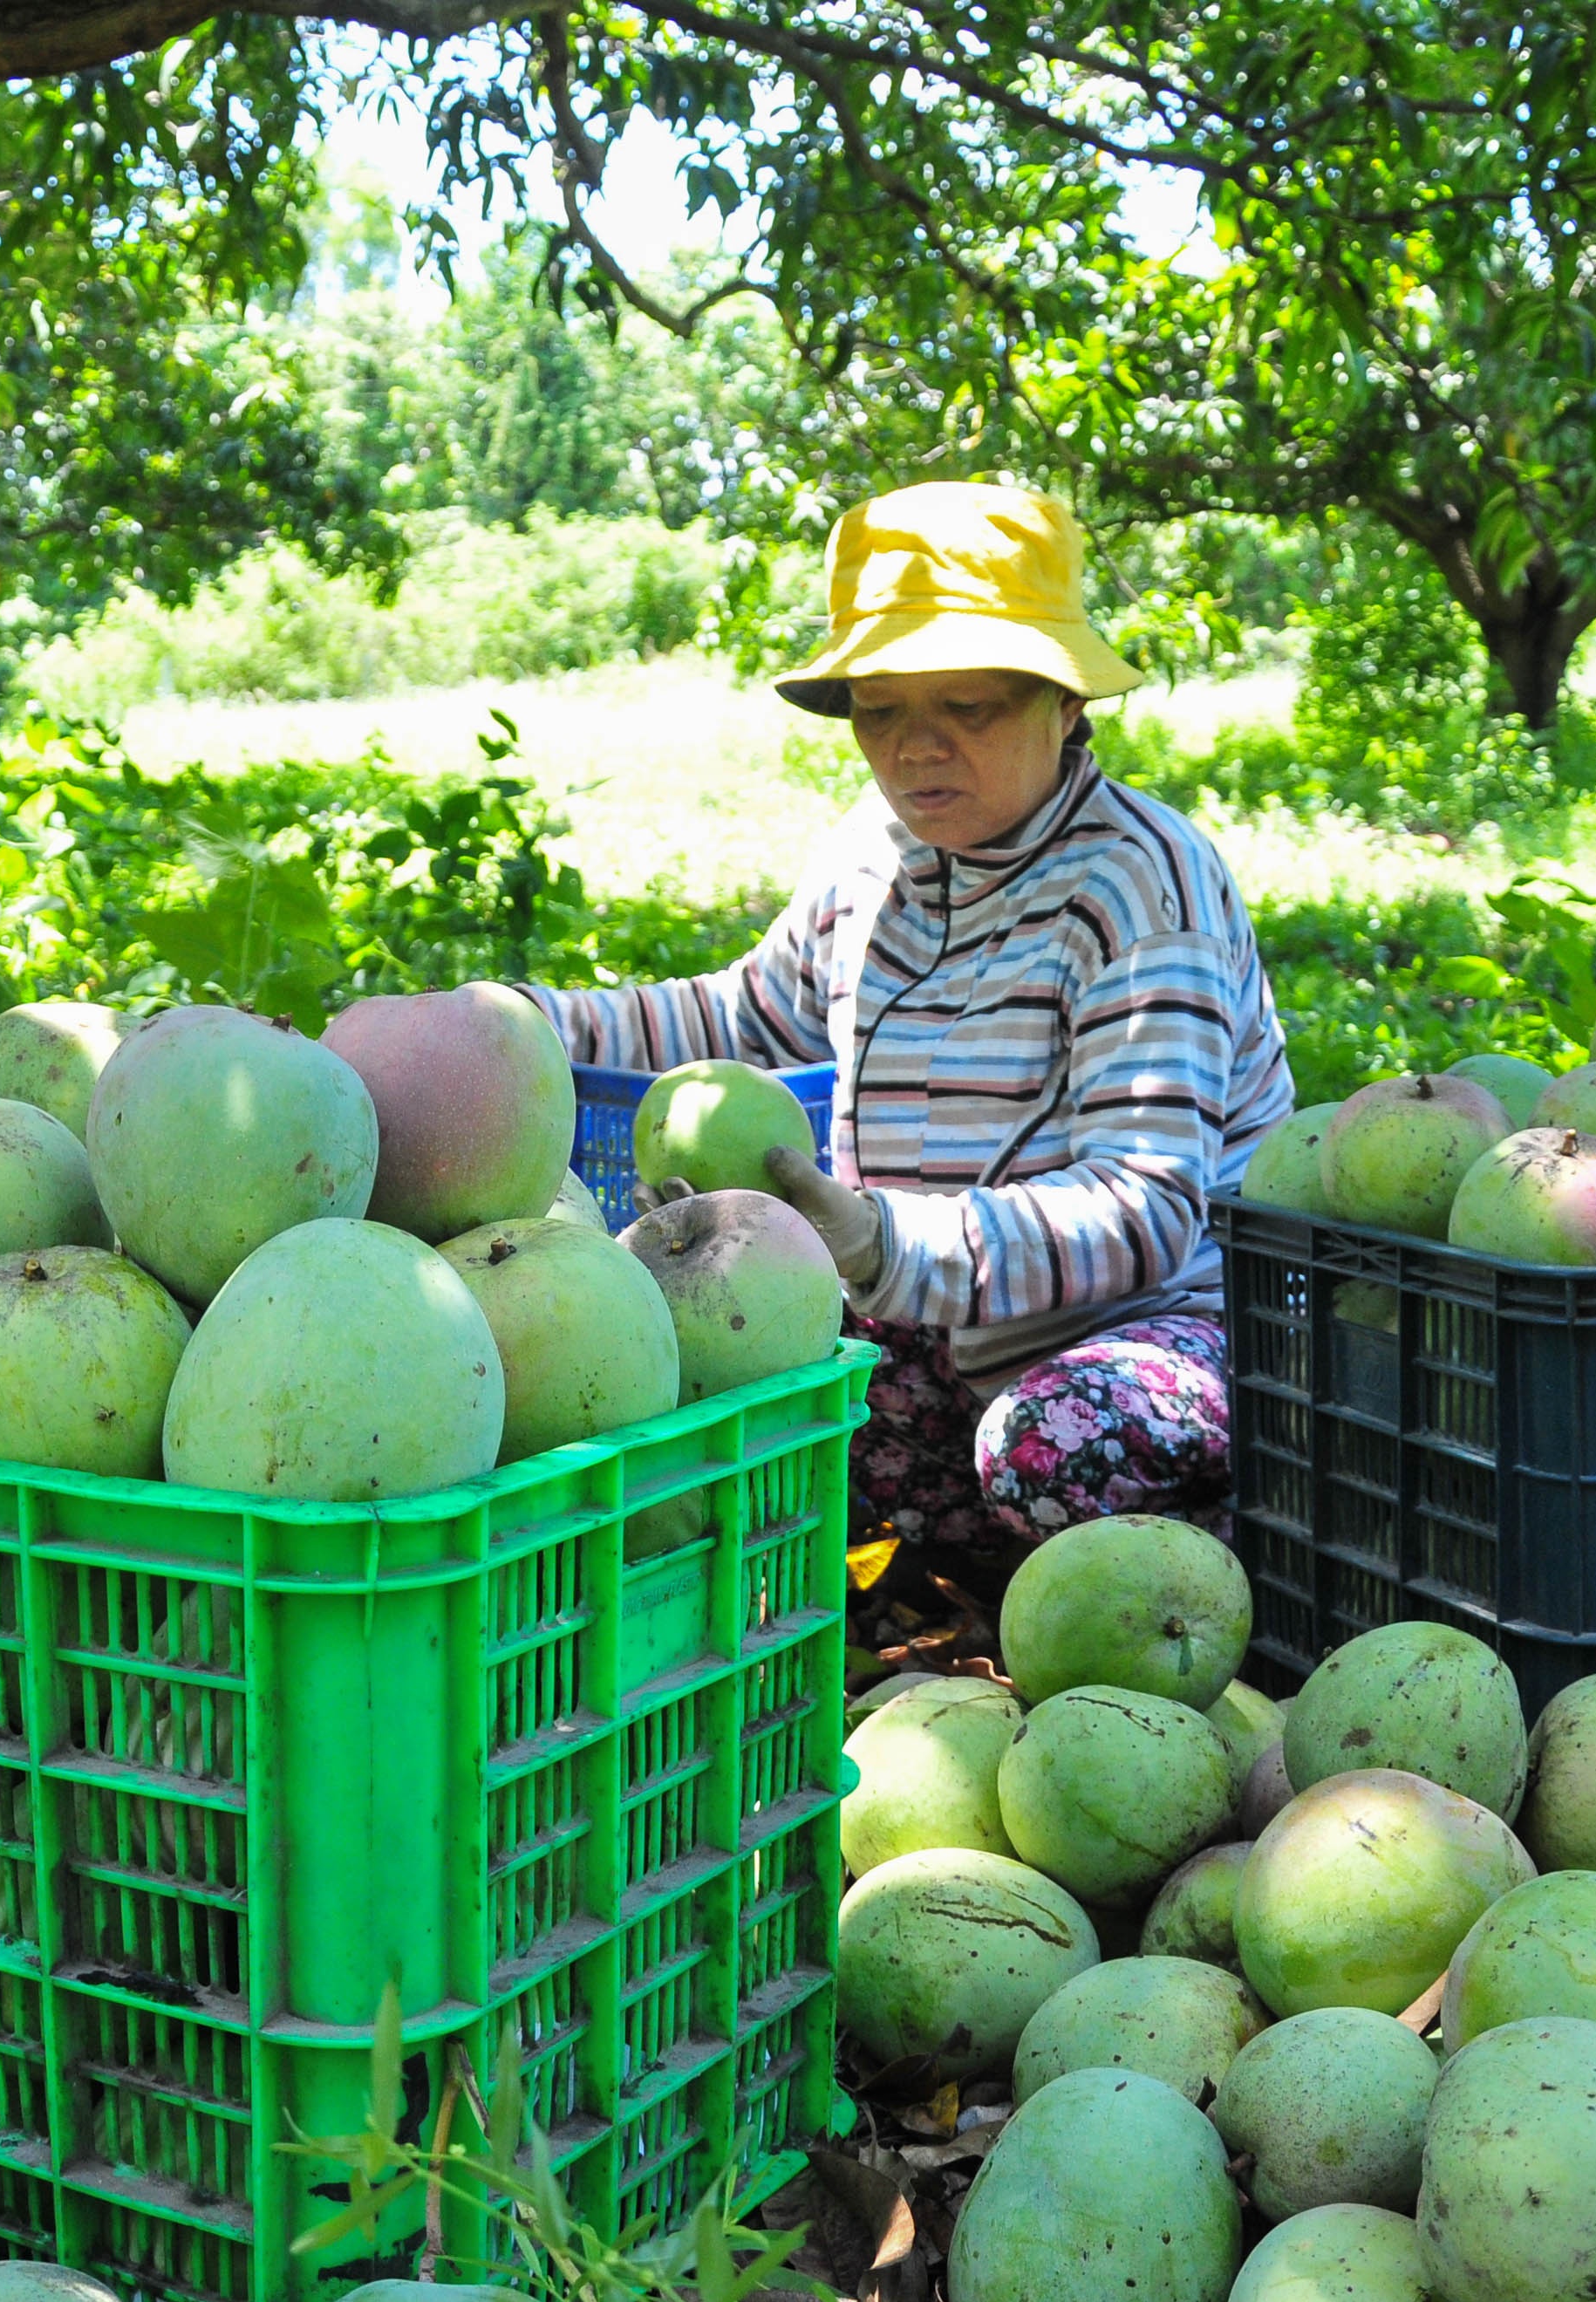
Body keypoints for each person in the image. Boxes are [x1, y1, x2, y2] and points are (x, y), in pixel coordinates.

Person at [528, 481, 1296, 1594]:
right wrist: (519, 1027)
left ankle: (1208, 1574)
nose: (916, 749)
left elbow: (1149, 1209)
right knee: (746, 1425)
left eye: (968, 708)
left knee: (1049, 1447)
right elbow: (744, 1019)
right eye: (882, 711)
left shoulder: (1140, 885)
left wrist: (884, 1244)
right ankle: (942, 1576)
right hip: (943, 1329)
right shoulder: (873, 858)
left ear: (1064, 703)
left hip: (1161, 1329)